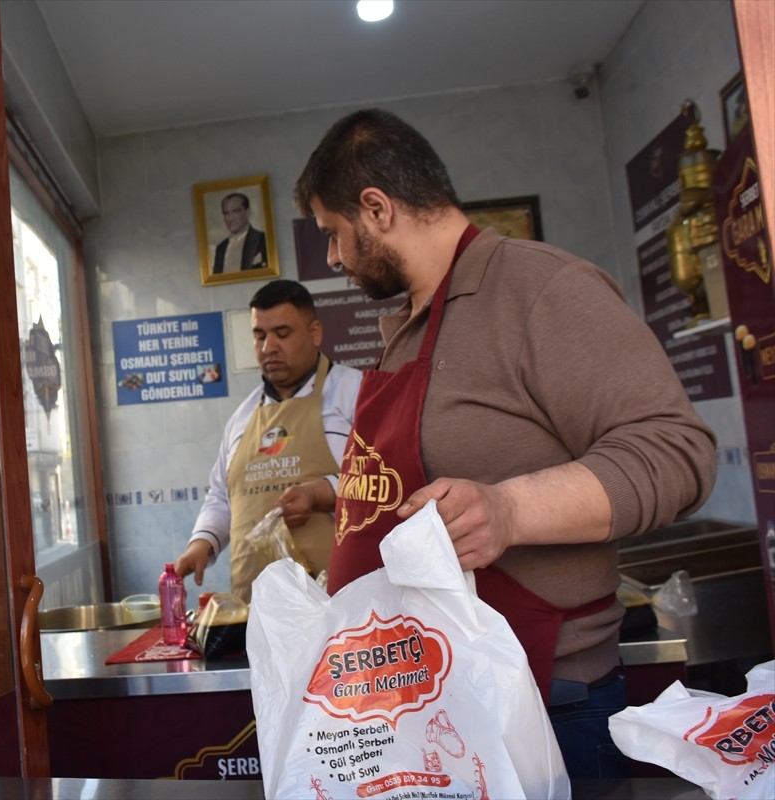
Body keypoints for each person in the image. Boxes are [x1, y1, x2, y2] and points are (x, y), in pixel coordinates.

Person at [288, 108, 717, 779]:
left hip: (544, 703)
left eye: (333, 235)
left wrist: (511, 510)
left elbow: (678, 452)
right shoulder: (406, 324)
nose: (335, 258)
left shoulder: (542, 289)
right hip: (427, 701)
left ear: (375, 208)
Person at [174, 279, 362, 602]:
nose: (268, 347)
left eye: (283, 334)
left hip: (339, 606)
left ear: (314, 333)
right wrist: (202, 542)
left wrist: (321, 492)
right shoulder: (241, 418)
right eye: (259, 335)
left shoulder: (353, 392)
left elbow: (384, 478)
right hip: (256, 610)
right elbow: (221, 494)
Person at [212, 192, 268, 274]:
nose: (230, 218)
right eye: (226, 213)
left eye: (235, 211)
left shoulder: (263, 240)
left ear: (247, 212)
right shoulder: (220, 248)